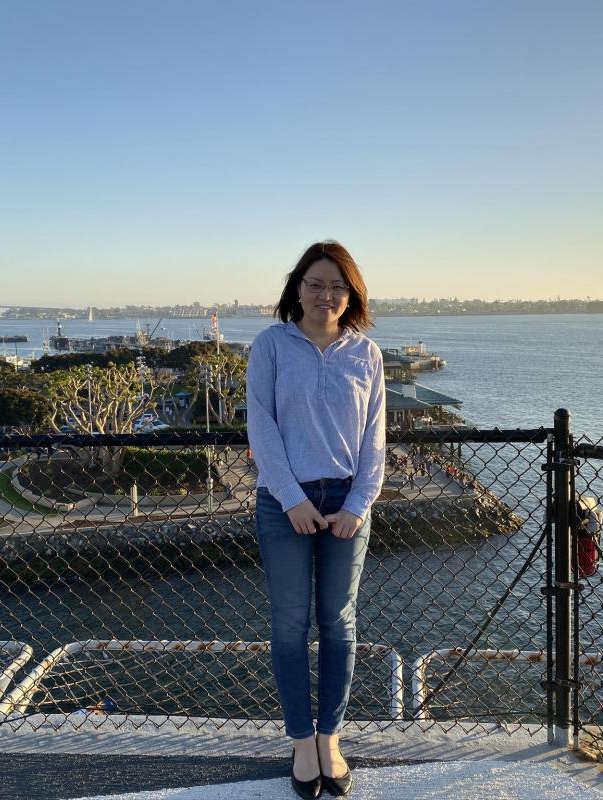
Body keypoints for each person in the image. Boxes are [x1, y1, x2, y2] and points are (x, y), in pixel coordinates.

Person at [247, 241, 386, 800]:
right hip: (286, 504)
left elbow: (376, 437)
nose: (325, 295)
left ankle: (331, 738)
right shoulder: (271, 346)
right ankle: (301, 741)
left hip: (348, 500)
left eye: (337, 286)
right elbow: (262, 426)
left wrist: (358, 504)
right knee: (288, 624)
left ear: (351, 294)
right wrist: (290, 498)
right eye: (314, 283)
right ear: (296, 287)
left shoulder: (366, 353)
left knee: (338, 622)